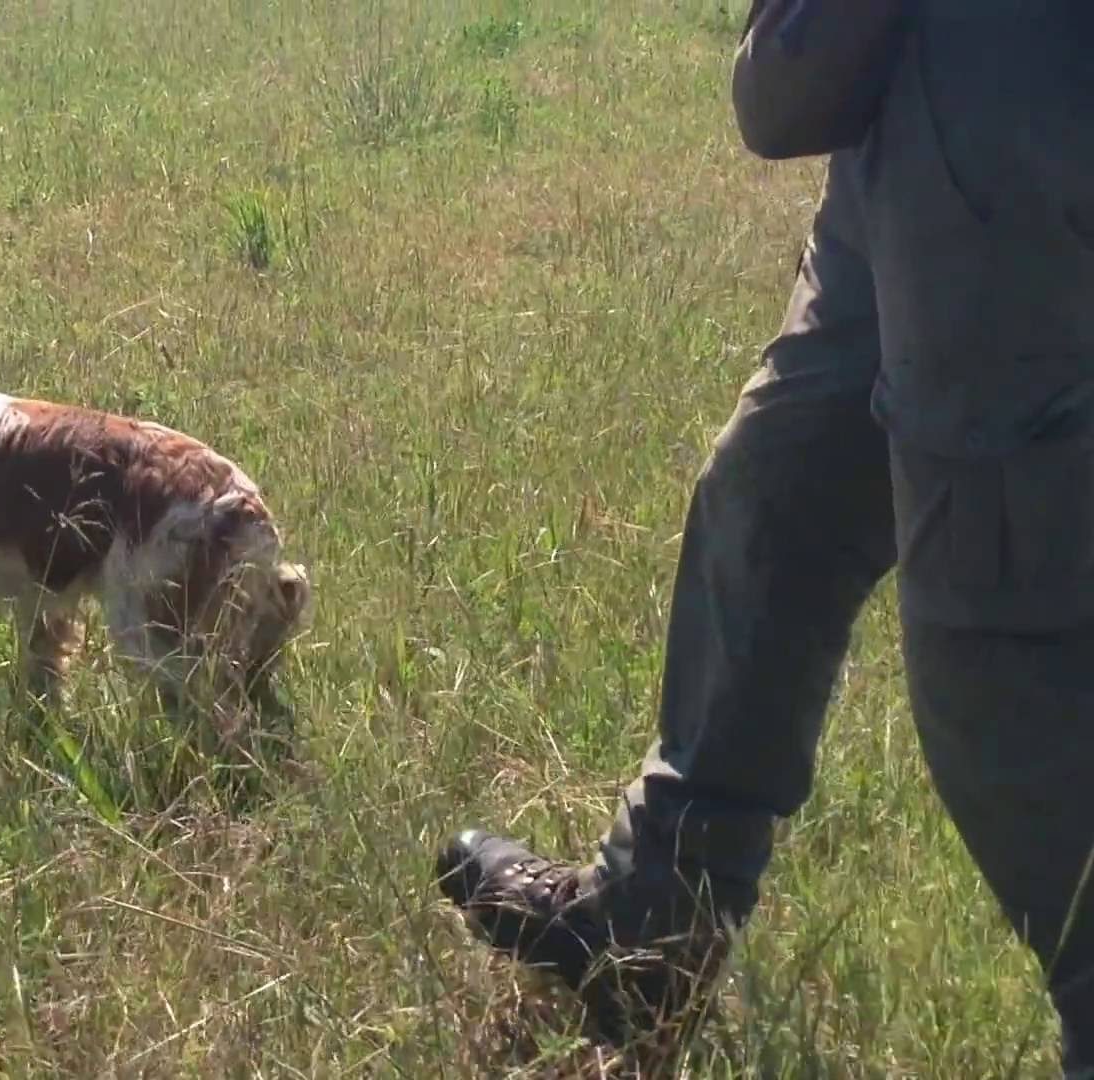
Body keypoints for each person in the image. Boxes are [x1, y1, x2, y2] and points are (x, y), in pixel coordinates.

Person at [432, 1, 1094, 1073]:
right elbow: (782, 102)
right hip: (914, 110)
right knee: (776, 493)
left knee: (1010, 673)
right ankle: (650, 931)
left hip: (1020, 115)